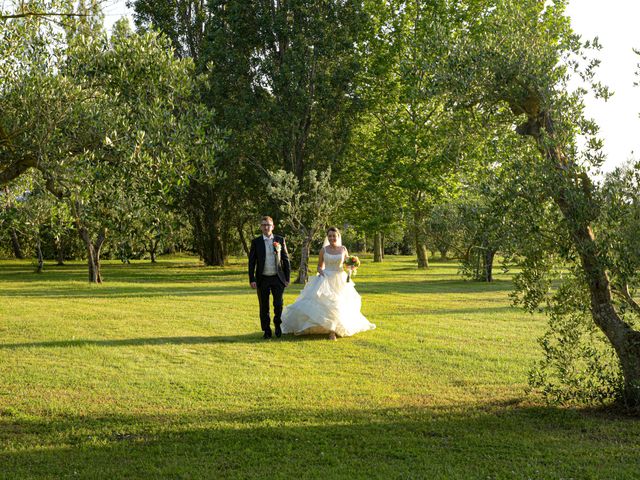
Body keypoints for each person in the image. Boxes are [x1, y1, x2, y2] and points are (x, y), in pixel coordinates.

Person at [281, 227, 375, 340]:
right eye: (329, 236)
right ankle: (330, 330)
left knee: (338, 304)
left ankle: (333, 331)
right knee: (327, 305)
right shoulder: (323, 250)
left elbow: (347, 263)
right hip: (325, 278)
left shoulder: (343, 249)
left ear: (338, 236)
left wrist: (352, 265)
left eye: (334, 236)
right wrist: (321, 272)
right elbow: (319, 266)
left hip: (339, 279)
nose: (332, 238)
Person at [248, 216, 291, 339]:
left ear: (273, 226)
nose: (266, 227)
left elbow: (285, 260)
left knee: (278, 304)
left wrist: (287, 278)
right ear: (261, 227)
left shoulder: (280, 240)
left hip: (277, 278)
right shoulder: (256, 242)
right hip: (262, 278)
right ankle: (266, 330)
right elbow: (252, 262)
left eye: (268, 225)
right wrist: (252, 279)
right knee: (264, 306)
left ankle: (277, 326)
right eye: (264, 225)